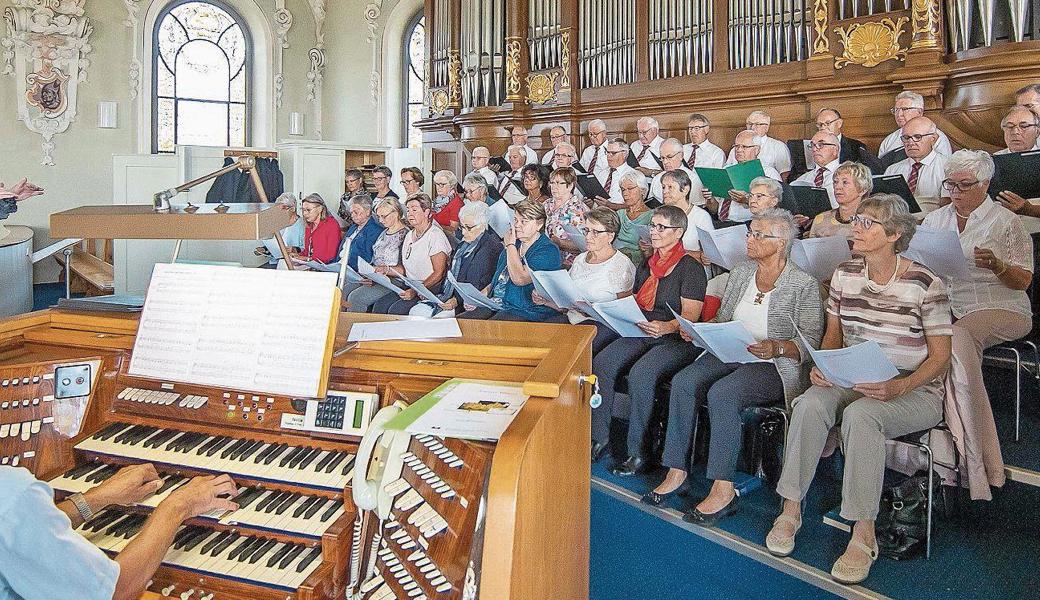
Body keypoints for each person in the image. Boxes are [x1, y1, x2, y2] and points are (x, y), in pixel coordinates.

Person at [766, 194, 952, 585]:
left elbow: (940, 359)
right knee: (810, 404)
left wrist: (900, 386)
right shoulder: (845, 273)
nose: (856, 228)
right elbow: (833, 337)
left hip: (912, 386)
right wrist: (823, 367)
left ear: (895, 234)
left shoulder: (925, 282)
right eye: (858, 221)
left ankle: (863, 533)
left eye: (868, 224)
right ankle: (790, 508)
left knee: (861, 415)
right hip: (855, 374)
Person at [643, 210, 824, 527]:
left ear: (780, 243)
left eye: (757, 235)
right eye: (750, 233)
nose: (748, 240)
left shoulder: (802, 284)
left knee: (724, 394)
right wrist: (701, 330)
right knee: (685, 382)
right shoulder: (741, 273)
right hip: (730, 349)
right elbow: (723, 319)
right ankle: (677, 470)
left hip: (771, 363)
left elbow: (809, 342)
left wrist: (778, 346)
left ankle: (722, 487)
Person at [923, 150, 1033, 501]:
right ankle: (933, 447)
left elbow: (1023, 282)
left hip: (1001, 307)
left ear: (984, 184)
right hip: (950, 307)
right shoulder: (935, 220)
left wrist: (999, 265)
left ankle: (981, 458)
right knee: (923, 332)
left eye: (964, 185)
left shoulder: (1005, 221)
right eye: (950, 184)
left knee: (957, 336)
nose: (955, 191)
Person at [0, 463, 238, 600]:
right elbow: (115, 592)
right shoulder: (11, 490)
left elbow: (20, 527)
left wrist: (96, 498)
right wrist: (179, 503)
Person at [591, 205, 707, 466]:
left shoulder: (690, 267)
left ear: (678, 233)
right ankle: (599, 437)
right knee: (604, 362)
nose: (653, 232)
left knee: (643, 373)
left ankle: (638, 451)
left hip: (674, 337)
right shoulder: (648, 263)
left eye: (660, 227)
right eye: (652, 225)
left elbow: (691, 316)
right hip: (642, 328)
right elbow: (638, 301)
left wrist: (666, 327)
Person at [535, 209, 636, 353]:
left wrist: (593, 311)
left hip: (602, 324)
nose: (588, 236)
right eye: (586, 230)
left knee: (569, 348)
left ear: (610, 236)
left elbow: (625, 313)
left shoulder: (621, 265)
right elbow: (567, 301)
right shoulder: (580, 259)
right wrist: (546, 300)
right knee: (539, 338)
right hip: (573, 317)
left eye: (595, 232)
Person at [457, 199, 562, 321]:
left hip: (525, 309)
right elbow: (498, 279)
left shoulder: (548, 250)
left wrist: (510, 246)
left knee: (488, 329)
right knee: (460, 323)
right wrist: (478, 298)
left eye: (524, 222)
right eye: (516, 220)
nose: (517, 225)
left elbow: (519, 279)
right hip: (497, 303)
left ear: (539, 224)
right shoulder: (515, 243)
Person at [410, 202, 502, 318]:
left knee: (423, 316)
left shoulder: (491, 247)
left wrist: (456, 300)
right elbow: (450, 275)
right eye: (462, 227)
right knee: (416, 311)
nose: (463, 232)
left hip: (468, 303)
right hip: (450, 295)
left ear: (483, 225)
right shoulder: (464, 244)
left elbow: (478, 283)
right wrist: (430, 290)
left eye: (468, 228)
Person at [372, 194, 452, 314]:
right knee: (380, 306)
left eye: (414, 210)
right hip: (409, 284)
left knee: (395, 310)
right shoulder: (410, 235)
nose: (410, 214)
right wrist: (385, 269)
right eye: (408, 210)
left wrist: (416, 290)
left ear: (426, 212)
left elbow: (439, 273)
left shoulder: (435, 235)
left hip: (429, 287)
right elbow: (405, 269)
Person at [704, 131, 784, 223]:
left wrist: (747, 200)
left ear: (757, 150)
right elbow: (714, 209)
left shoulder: (768, 172)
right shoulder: (725, 169)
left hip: (750, 223)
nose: (739, 150)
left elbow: (776, 207)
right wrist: (710, 199)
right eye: (736, 146)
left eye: (744, 147)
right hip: (721, 221)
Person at [345, 198, 408, 312]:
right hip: (377, 275)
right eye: (379, 216)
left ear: (396, 213)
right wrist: (367, 274)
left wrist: (383, 271)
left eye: (384, 216)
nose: (381, 220)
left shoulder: (405, 235)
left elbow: (405, 269)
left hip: (394, 279)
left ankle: (356, 327)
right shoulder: (384, 232)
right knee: (345, 290)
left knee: (356, 298)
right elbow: (374, 258)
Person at [883, 116, 949, 211]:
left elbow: (947, 208)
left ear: (933, 139)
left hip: (930, 222)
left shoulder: (947, 166)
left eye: (917, 137)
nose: (910, 142)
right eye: (906, 138)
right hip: (896, 221)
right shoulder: (892, 170)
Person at [658, 169, 714, 267]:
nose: (665, 191)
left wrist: (676, 253)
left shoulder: (701, 217)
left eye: (670, 187)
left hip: (692, 269)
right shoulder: (660, 215)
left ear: (685, 190)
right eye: (663, 187)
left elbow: (709, 255)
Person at [877, 91, 953, 159]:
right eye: (896, 110)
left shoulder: (935, 137)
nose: (899, 114)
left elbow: (943, 166)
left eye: (904, 109)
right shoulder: (889, 140)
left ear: (919, 112)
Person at [994, 107, 1040, 217]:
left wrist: (1030, 210)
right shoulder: (991, 161)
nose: (1015, 132)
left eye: (1024, 126)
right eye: (1010, 126)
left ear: (1037, 131)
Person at [809, 162, 872, 240]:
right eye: (835, 182)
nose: (838, 187)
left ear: (863, 189)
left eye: (845, 182)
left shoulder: (872, 221)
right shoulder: (820, 219)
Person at [726, 110, 793, 178]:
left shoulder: (778, 146)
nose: (752, 127)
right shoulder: (736, 149)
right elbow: (727, 171)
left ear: (766, 127)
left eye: (757, 124)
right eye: (750, 124)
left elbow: (785, 174)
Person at [813, 108, 881, 173]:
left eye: (828, 123)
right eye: (820, 125)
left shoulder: (856, 147)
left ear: (839, 123)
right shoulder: (813, 147)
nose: (823, 127)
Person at [544, 167, 587, 266]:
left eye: (559, 183)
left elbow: (583, 245)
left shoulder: (574, 210)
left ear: (570, 185)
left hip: (568, 261)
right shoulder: (547, 204)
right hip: (547, 253)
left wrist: (560, 243)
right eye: (552, 182)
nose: (554, 187)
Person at [791, 131, 842, 208]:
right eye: (812, 145)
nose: (814, 149)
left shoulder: (848, 174)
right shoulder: (802, 180)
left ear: (835, 150)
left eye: (821, 145)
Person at [337, 193, 384, 273]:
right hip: (340, 267)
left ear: (368, 211)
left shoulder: (374, 230)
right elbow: (342, 250)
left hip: (353, 271)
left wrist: (344, 267)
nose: (353, 215)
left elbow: (367, 258)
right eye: (351, 212)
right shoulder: (353, 227)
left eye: (356, 212)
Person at [614, 171, 655, 264]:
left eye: (630, 188)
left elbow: (650, 250)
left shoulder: (652, 216)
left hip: (636, 262)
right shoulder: (619, 214)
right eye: (623, 189)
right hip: (614, 257)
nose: (625, 193)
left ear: (642, 190)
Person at [256, 193, 305, 267]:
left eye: (283, 208)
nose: (280, 212)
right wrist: (264, 250)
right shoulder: (278, 224)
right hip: (276, 262)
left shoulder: (303, 225)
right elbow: (274, 245)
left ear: (293, 208)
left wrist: (295, 249)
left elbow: (308, 249)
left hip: (295, 264)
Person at [650, 138, 701, 205]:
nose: (665, 162)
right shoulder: (656, 179)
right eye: (662, 158)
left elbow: (696, 208)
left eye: (669, 157)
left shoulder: (693, 179)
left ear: (681, 156)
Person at [297, 193, 342, 264]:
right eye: (303, 210)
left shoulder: (331, 225)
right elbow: (307, 252)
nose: (305, 214)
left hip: (325, 268)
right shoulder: (309, 226)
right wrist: (297, 256)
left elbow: (331, 256)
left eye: (308, 210)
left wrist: (308, 259)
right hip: (311, 265)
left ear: (320, 209)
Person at [591, 139, 635, 207]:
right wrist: (592, 202)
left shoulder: (633, 175)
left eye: (613, 153)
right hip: (597, 213)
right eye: (607, 152)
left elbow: (636, 205)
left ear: (624, 154)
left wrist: (611, 205)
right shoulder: (601, 173)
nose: (609, 156)